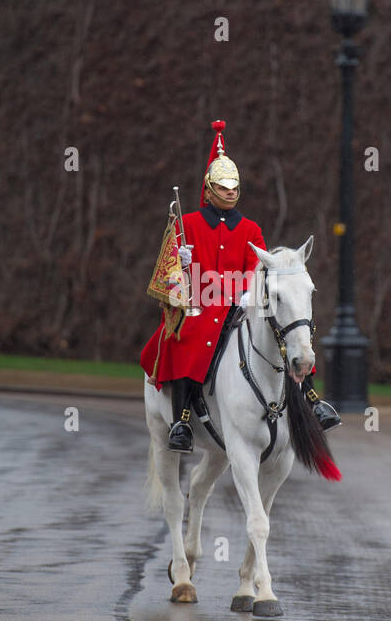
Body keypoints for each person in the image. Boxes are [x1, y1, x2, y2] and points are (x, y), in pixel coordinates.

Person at [140, 121, 340, 453]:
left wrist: (248, 290)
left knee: (288, 329)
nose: (230, 192)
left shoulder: (250, 229)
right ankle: (181, 420)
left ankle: (311, 397)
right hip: (201, 303)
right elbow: (167, 278)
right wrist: (180, 263)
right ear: (208, 188)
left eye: (234, 187)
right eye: (223, 186)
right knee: (188, 336)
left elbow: (257, 269)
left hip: (241, 299)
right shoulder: (186, 225)